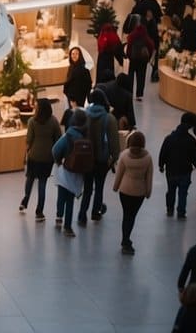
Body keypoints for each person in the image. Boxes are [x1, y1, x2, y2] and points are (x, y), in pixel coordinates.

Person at [78, 89, 120, 225]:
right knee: (99, 187)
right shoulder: (109, 118)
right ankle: (95, 212)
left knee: (88, 188)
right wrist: (114, 157)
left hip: (86, 157)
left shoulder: (84, 116)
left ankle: (82, 215)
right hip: (102, 159)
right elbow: (114, 141)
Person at [112, 130, 153, 255]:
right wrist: (148, 191)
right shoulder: (147, 158)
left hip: (125, 190)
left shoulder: (124, 155)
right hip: (139, 191)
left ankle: (125, 240)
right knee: (132, 216)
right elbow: (149, 176)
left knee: (126, 214)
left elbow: (119, 173)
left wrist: (115, 186)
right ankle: (126, 239)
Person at [20, 98, 61, 222]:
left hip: (34, 155)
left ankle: (25, 200)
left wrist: (25, 155)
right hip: (48, 157)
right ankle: (39, 211)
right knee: (42, 184)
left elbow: (29, 140)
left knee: (30, 178)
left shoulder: (32, 121)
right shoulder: (53, 121)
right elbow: (58, 138)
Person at [51, 108, 88, 237]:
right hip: (77, 173)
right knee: (71, 200)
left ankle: (59, 217)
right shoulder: (86, 137)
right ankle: (68, 226)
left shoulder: (68, 136)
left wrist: (58, 162)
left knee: (61, 196)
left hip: (65, 171)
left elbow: (55, 150)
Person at [161, 112, 196, 219]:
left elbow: (163, 152)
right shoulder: (191, 140)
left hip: (171, 170)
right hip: (185, 170)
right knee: (183, 193)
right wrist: (195, 164)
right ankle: (181, 212)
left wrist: (161, 164)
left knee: (171, 191)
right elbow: (194, 157)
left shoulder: (169, 138)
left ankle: (170, 209)